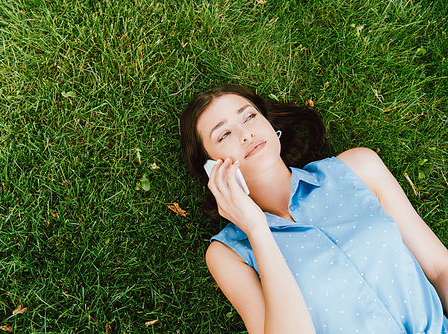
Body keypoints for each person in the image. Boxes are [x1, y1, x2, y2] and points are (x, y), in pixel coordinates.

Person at [179, 85, 448, 333]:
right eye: (224, 134)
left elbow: (439, 268)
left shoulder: (359, 168)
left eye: (249, 116)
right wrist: (257, 229)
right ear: (212, 168)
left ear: (270, 125)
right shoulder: (229, 254)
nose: (245, 133)